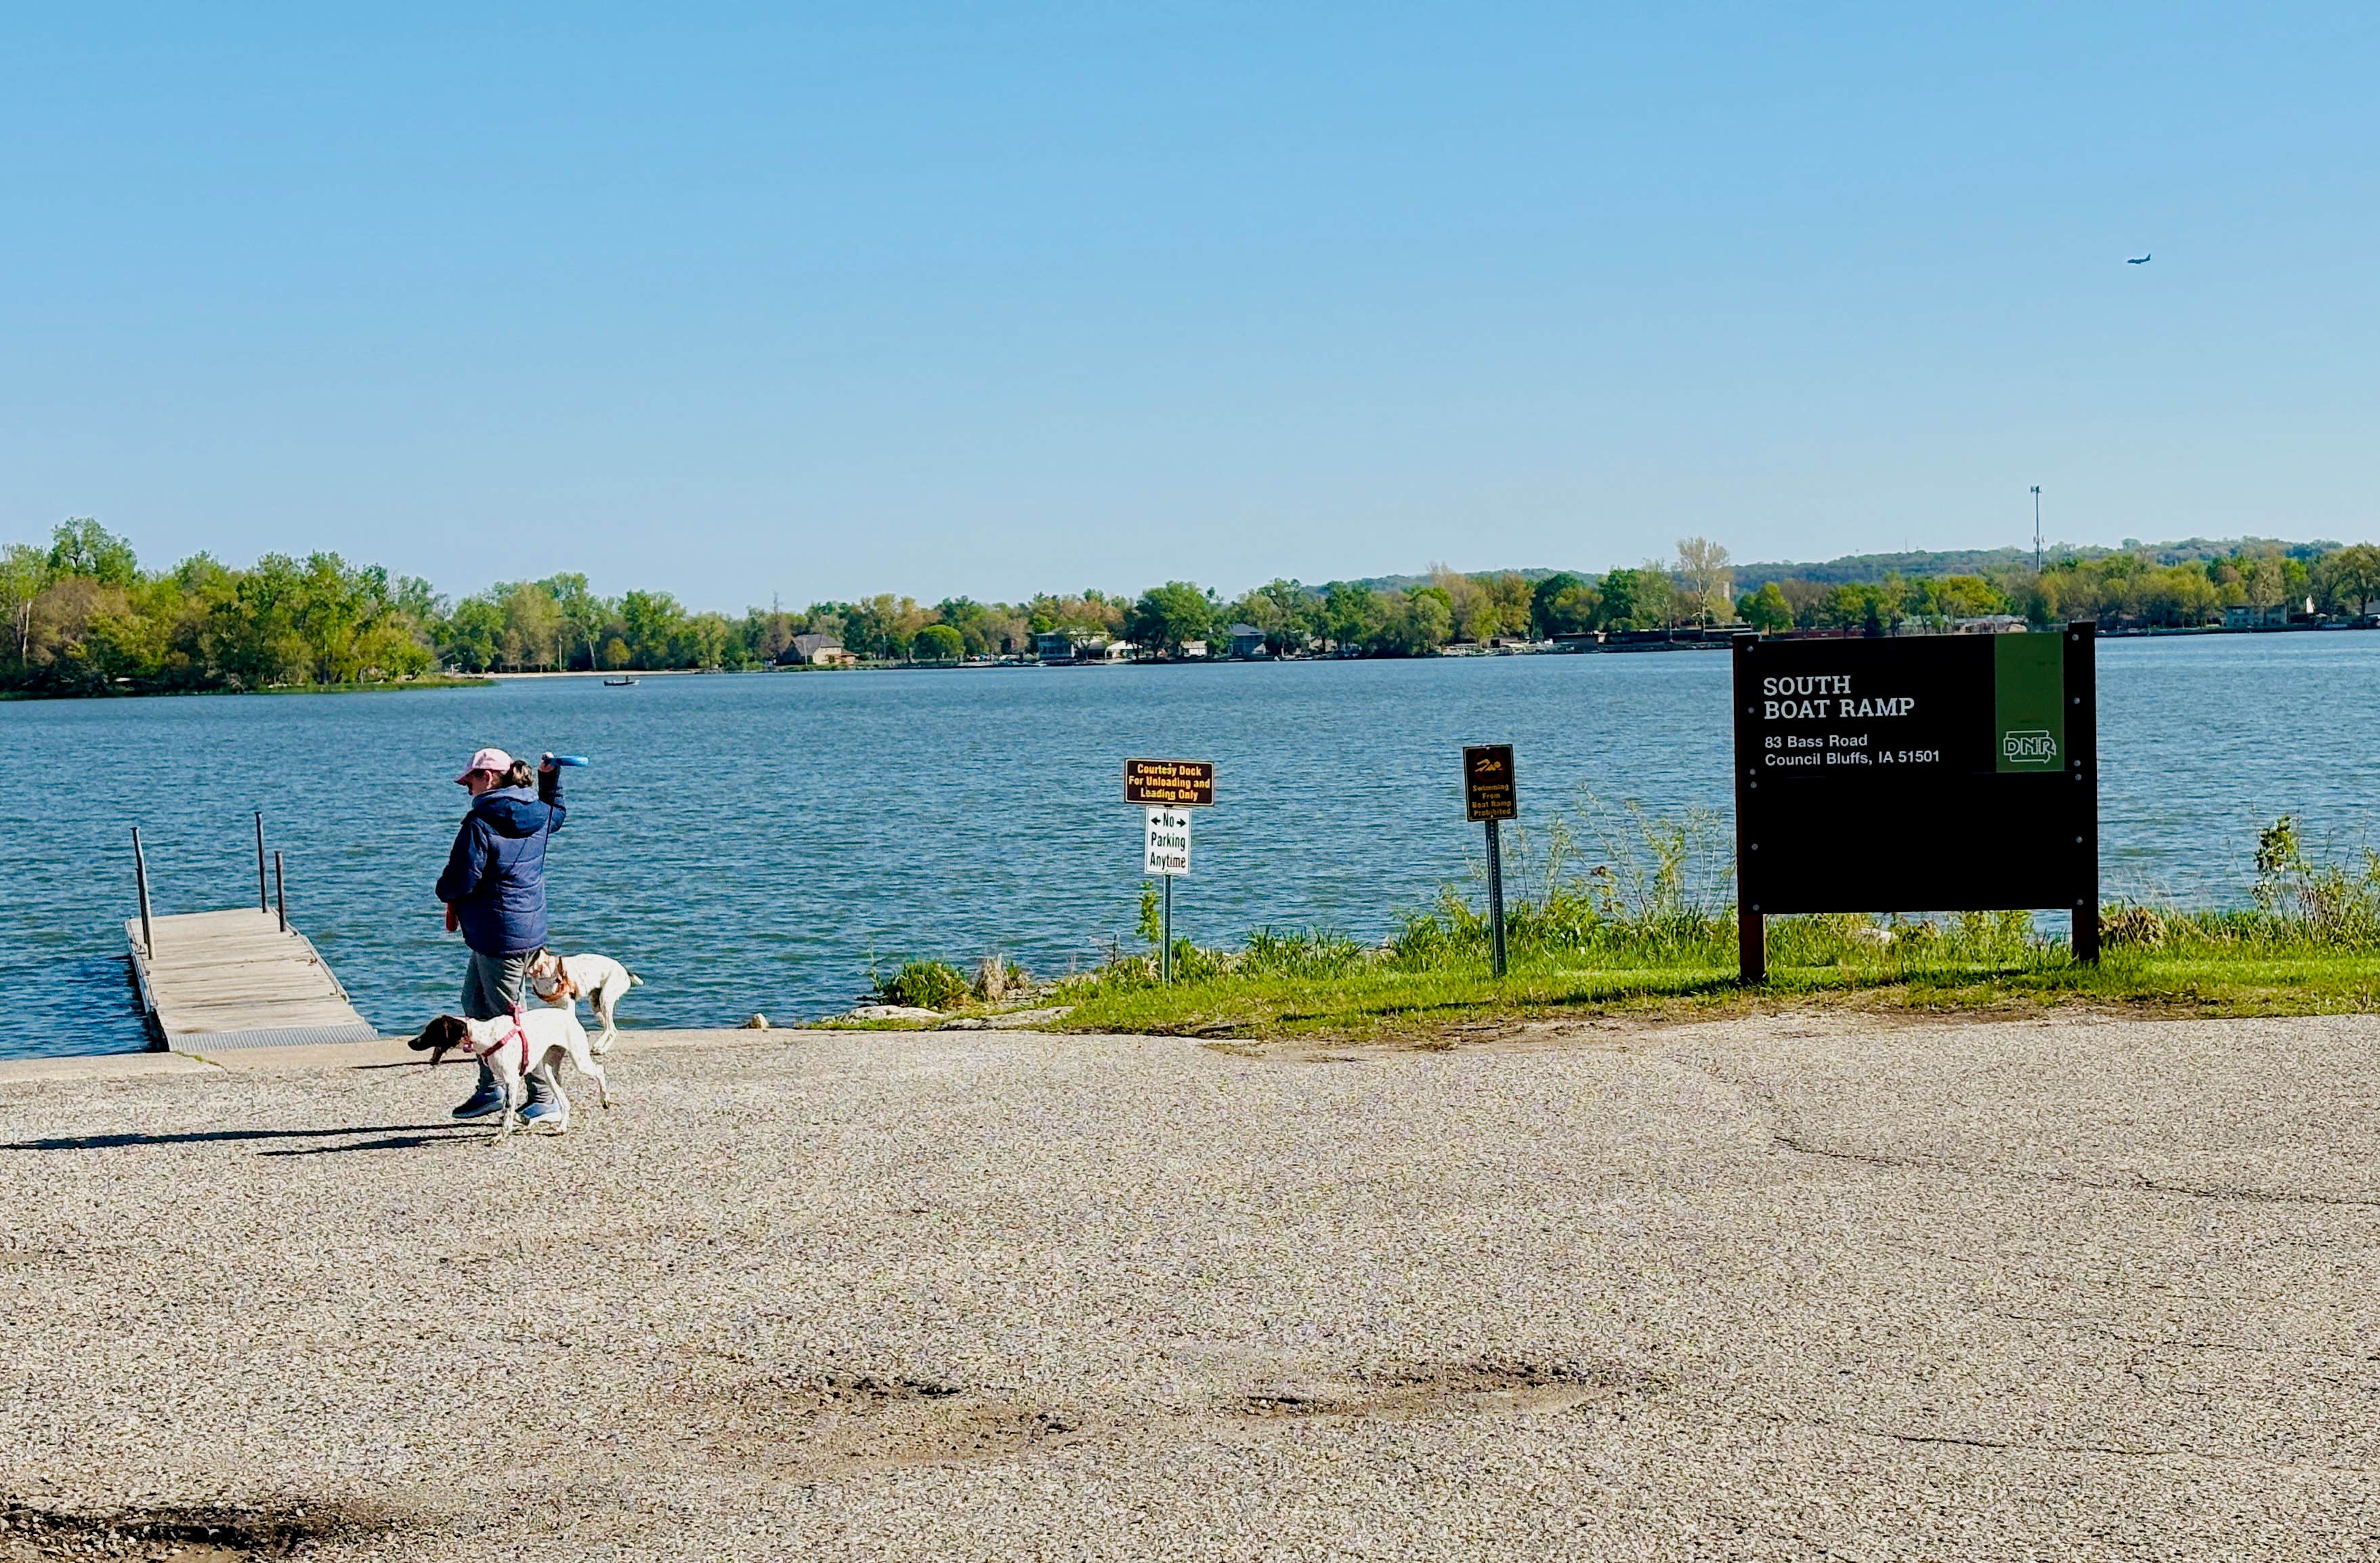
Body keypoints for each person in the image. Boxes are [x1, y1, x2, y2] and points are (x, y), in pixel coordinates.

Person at [435, 746, 568, 1125]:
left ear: (489, 778)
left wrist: (444, 892)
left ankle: (544, 1096)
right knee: (474, 1003)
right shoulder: (539, 812)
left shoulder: (479, 823)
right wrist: (550, 780)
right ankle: (492, 1087)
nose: (467, 787)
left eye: (471, 780)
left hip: (499, 936)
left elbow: (463, 878)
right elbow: (557, 813)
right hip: (519, 930)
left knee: (510, 1021)